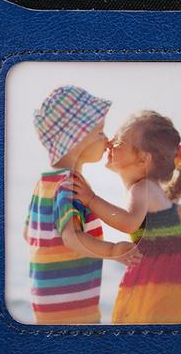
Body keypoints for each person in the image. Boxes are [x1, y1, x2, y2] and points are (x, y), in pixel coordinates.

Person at [73, 110, 181, 324]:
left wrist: (91, 199)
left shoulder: (141, 189)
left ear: (143, 159)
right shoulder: (152, 188)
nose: (110, 143)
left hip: (161, 281)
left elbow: (129, 223)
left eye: (119, 142)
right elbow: (179, 212)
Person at [25, 85, 140, 324]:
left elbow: (29, 234)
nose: (107, 140)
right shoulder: (69, 186)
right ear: (74, 141)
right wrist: (113, 251)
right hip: (70, 305)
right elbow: (72, 237)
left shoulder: (44, 184)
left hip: (47, 300)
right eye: (100, 133)